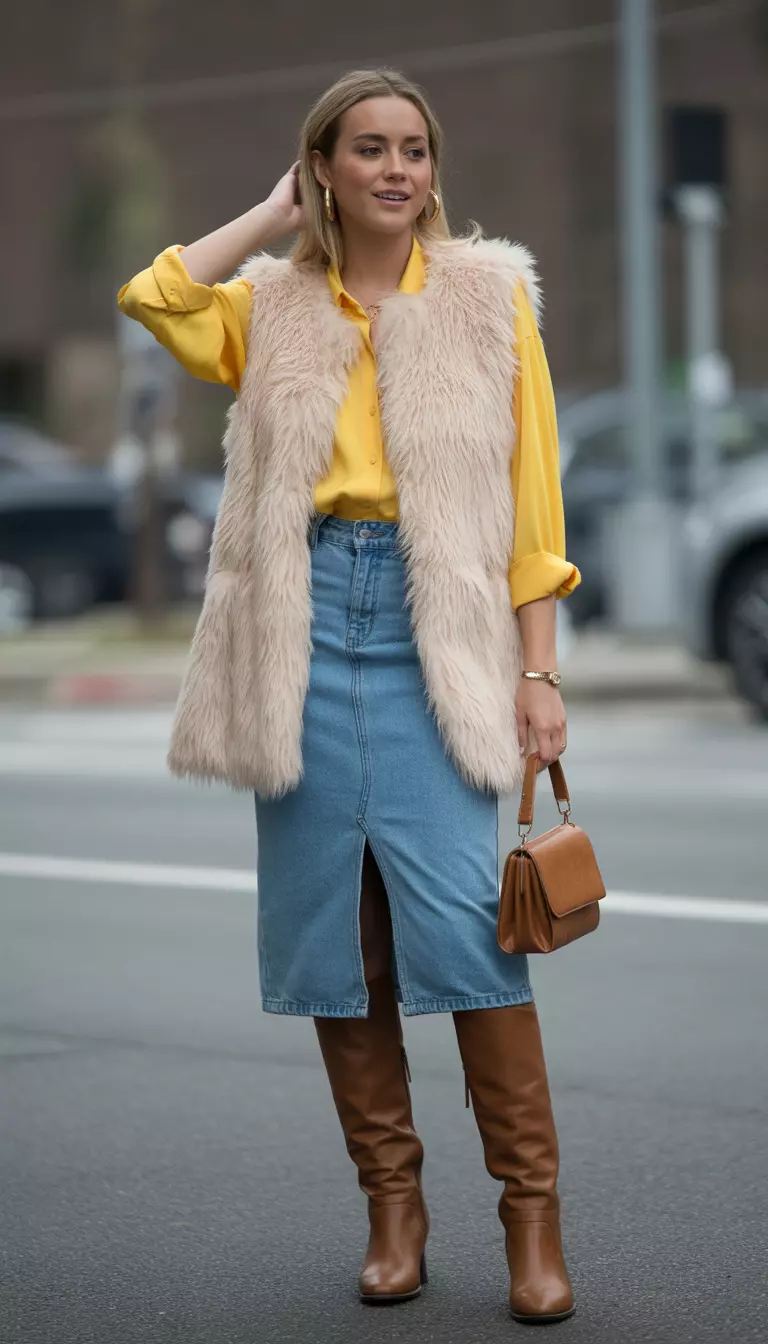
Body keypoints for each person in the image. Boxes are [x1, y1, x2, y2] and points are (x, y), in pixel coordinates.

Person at [118, 67, 582, 1325]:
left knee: (467, 937)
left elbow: (533, 515)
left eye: (415, 150)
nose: (396, 170)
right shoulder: (272, 305)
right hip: (303, 627)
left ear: (436, 169)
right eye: (367, 149)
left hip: (440, 631)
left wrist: (539, 674)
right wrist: (272, 219)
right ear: (324, 166)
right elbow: (155, 295)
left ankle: (530, 1219)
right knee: (342, 945)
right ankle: (393, 1208)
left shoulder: (492, 299)